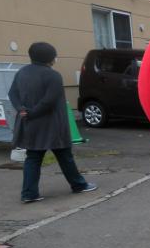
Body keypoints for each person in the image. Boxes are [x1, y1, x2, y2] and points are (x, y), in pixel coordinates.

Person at [9, 42, 96, 203]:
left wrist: (22, 110)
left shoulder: (22, 72)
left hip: (30, 124)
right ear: (50, 57)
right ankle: (78, 185)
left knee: (33, 158)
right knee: (64, 156)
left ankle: (29, 194)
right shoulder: (53, 75)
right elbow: (49, 101)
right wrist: (33, 112)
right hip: (53, 125)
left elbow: (12, 93)